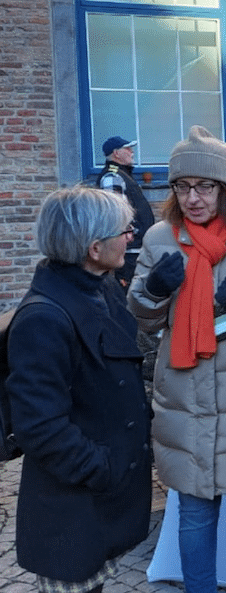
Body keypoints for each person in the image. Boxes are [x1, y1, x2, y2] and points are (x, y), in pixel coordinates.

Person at [127, 126, 226, 593]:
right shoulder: (159, 238)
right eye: (182, 186)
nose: (192, 198)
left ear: (225, 187)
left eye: (204, 186)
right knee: (193, 512)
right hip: (185, 396)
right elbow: (142, 318)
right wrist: (153, 293)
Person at [6, 186, 151, 592]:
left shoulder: (99, 289)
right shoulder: (44, 318)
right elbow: (39, 427)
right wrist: (102, 468)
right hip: (72, 507)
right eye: (124, 230)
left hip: (99, 503)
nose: (131, 237)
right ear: (93, 247)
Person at [97, 136, 155, 290]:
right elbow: (115, 214)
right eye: (128, 148)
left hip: (134, 250)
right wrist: (128, 234)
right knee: (129, 296)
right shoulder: (112, 177)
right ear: (116, 153)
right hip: (128, 252)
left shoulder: (122, 175)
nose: (132, 152)